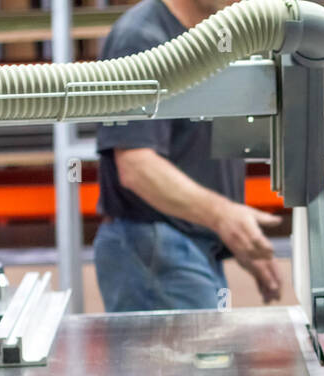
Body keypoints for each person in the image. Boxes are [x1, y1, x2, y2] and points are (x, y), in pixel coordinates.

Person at [93, 0, 282, 313]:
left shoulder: (213, 39)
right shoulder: (141, 39)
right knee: (198, 361)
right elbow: (136, 166)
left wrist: (233, 232)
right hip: (154, 248)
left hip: (190, 245)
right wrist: (223, 216)